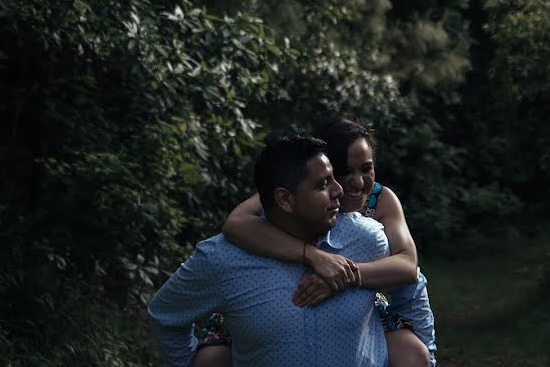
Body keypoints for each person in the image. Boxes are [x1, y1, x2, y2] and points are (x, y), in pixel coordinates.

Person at [194, 118, 436, 367]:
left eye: (366, 169)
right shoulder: (296, 189)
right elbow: (236, 223)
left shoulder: (381, 200)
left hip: (360, 300)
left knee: (413, 355)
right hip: (272, 295)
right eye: (344, 171)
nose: (357, 182)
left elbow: (407, 265)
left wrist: (342, 276)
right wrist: (312, 255)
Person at [147, 135, 393, 367]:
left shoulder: (366, 240)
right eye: (323, 184)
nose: (338, 190)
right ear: (285, 200)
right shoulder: (222, 259)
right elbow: (165, 316)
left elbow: (410, 291)